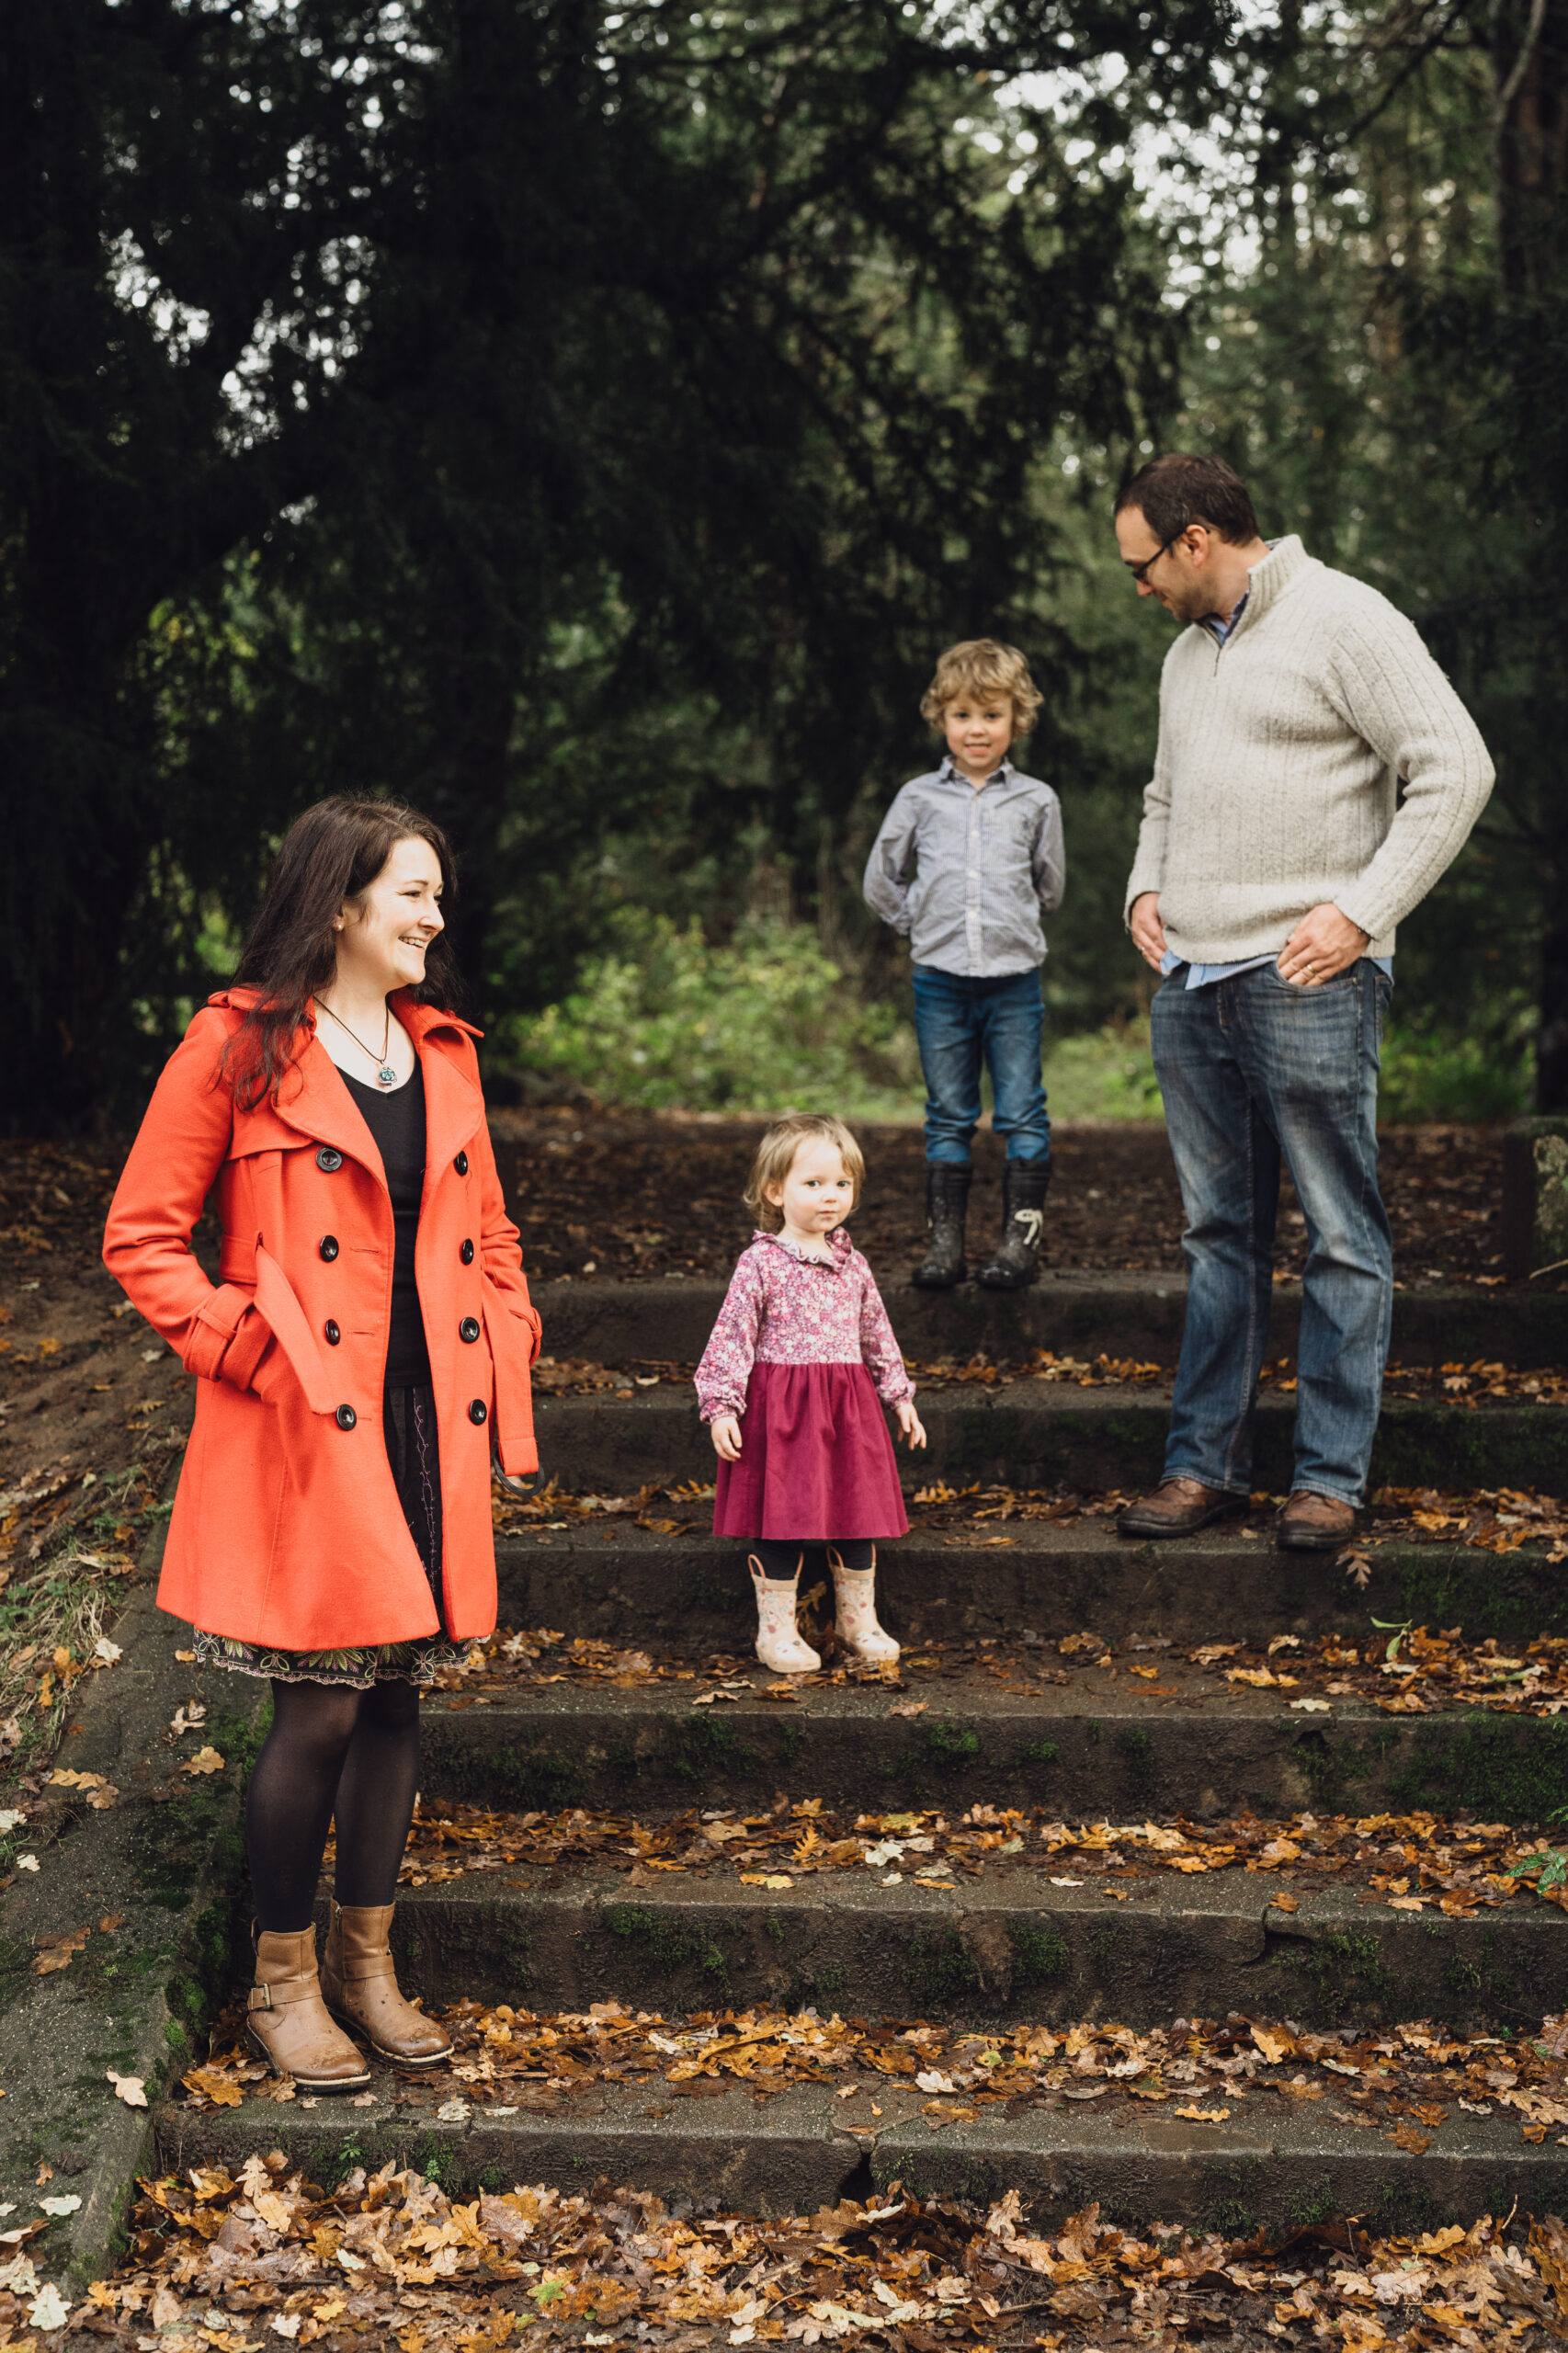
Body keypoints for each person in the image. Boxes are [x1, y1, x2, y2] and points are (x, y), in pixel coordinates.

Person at [103, 797, 542, 2090]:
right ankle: (280, 1982)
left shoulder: (442, 1052)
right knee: (322, 1706)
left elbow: (491, 1230)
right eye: (414, 892)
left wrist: (508, 1329)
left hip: (426, 1414)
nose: (436, 916)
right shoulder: (236, 1043)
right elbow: (142, 1235)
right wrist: (246, 1349)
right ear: (339, 902)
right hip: (306, 1417)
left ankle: (366, 1967)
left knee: (397, 1699)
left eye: (437, 894)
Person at [1110, 453, 1493, 1550]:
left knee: (1338, 1233)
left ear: (1193, 539)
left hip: (1307, 979)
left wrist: (1361, 912)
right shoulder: (1186, 654)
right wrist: (1144, 883)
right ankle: (1203, 1467)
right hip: (1191, 985)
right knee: (1216, 1235)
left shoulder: (1344, 618)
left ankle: (1326, 1479)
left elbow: (1455, 768)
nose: (1138, 587)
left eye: (1142, 565)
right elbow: (1165, 793)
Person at [863, 639, 1064, 1290]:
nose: (977, 729)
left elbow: (1050, 886)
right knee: (949, 1112)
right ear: (941, 719)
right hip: (940, 981)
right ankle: (945, 1247)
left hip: (1013, 982)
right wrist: (918, 922)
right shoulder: (918, 799)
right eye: (962, 716)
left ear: (1017, 720)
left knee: (1022, 1110)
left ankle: (1018, 1246)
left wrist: (1012, 919)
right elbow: (881, 879)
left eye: (992, 715)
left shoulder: (1037, 801)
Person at [696, 1115, 927, 1673]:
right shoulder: (760, 1263)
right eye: (814, 1183)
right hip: (784, 1415)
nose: (831, 1196)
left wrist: (899, 1397)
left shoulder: (854, 1265)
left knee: (857, 1512)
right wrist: (721, 1406)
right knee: (783, 1517)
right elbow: (731, 1337)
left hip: (848, 1411)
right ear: (775, 1191)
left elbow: (877, 1334)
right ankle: (775, 1632)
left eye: (842, 1184)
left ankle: (857, 1622)